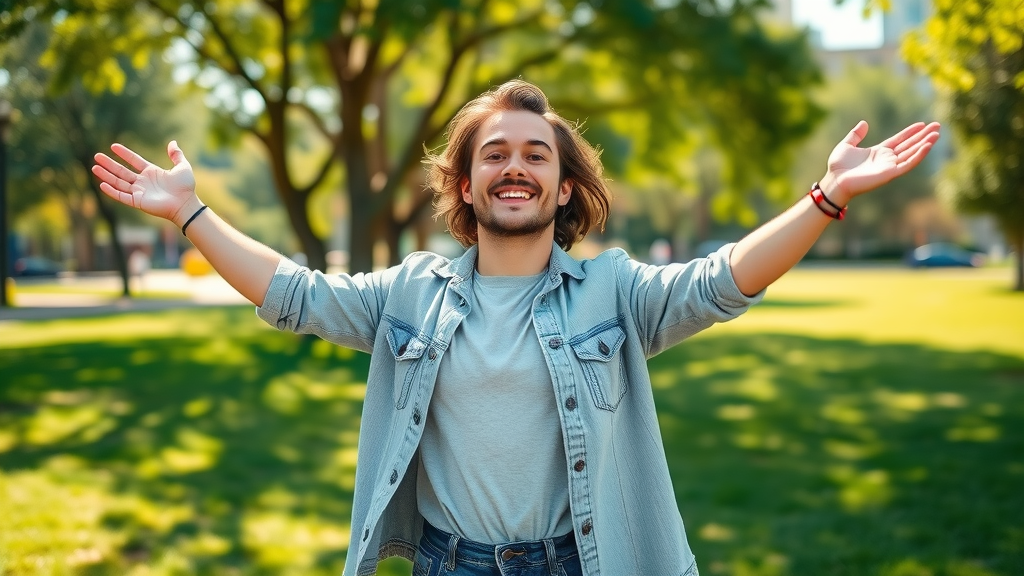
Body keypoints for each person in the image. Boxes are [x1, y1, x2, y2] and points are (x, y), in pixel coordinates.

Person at [92, 80, 940, 576]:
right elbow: (297, 295)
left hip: (581, 560)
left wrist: (825, 199)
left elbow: (720, 282)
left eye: (538, 155)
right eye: (494, 154)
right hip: (449, 562)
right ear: (465, 185)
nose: (516, 168)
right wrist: (192, 212)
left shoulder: (614, 291)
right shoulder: (410, 293)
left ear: (564, 188)